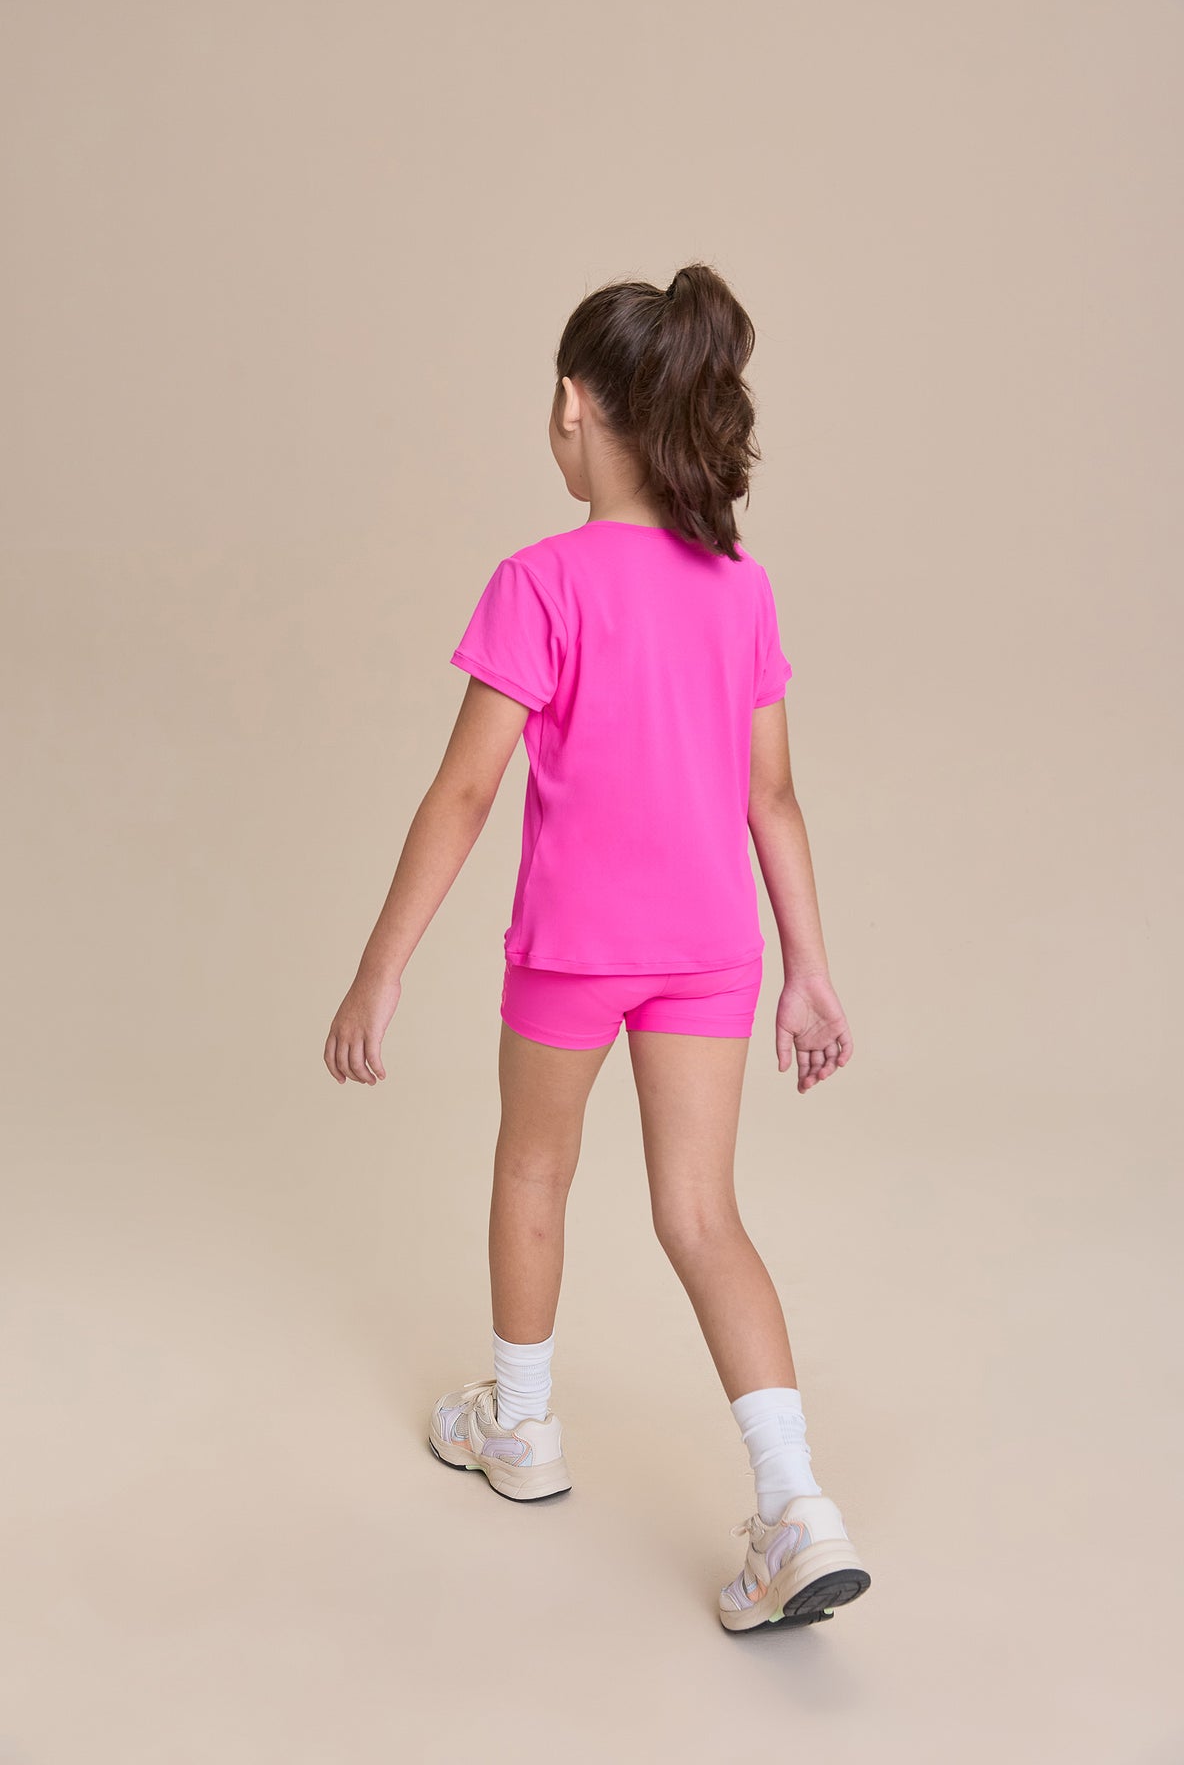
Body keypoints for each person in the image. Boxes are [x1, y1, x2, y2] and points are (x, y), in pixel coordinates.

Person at [323, 261, 872, 1632]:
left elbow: (465, 792)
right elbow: (774, 797)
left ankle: (520, 1426)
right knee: (704, 1215)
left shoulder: (539, 581)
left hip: (574, 952)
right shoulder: (739, 587)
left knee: (534, 1165)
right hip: (713, 954)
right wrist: (808, 970)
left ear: (573, 406)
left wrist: (381, 968)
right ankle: (797, 1506)